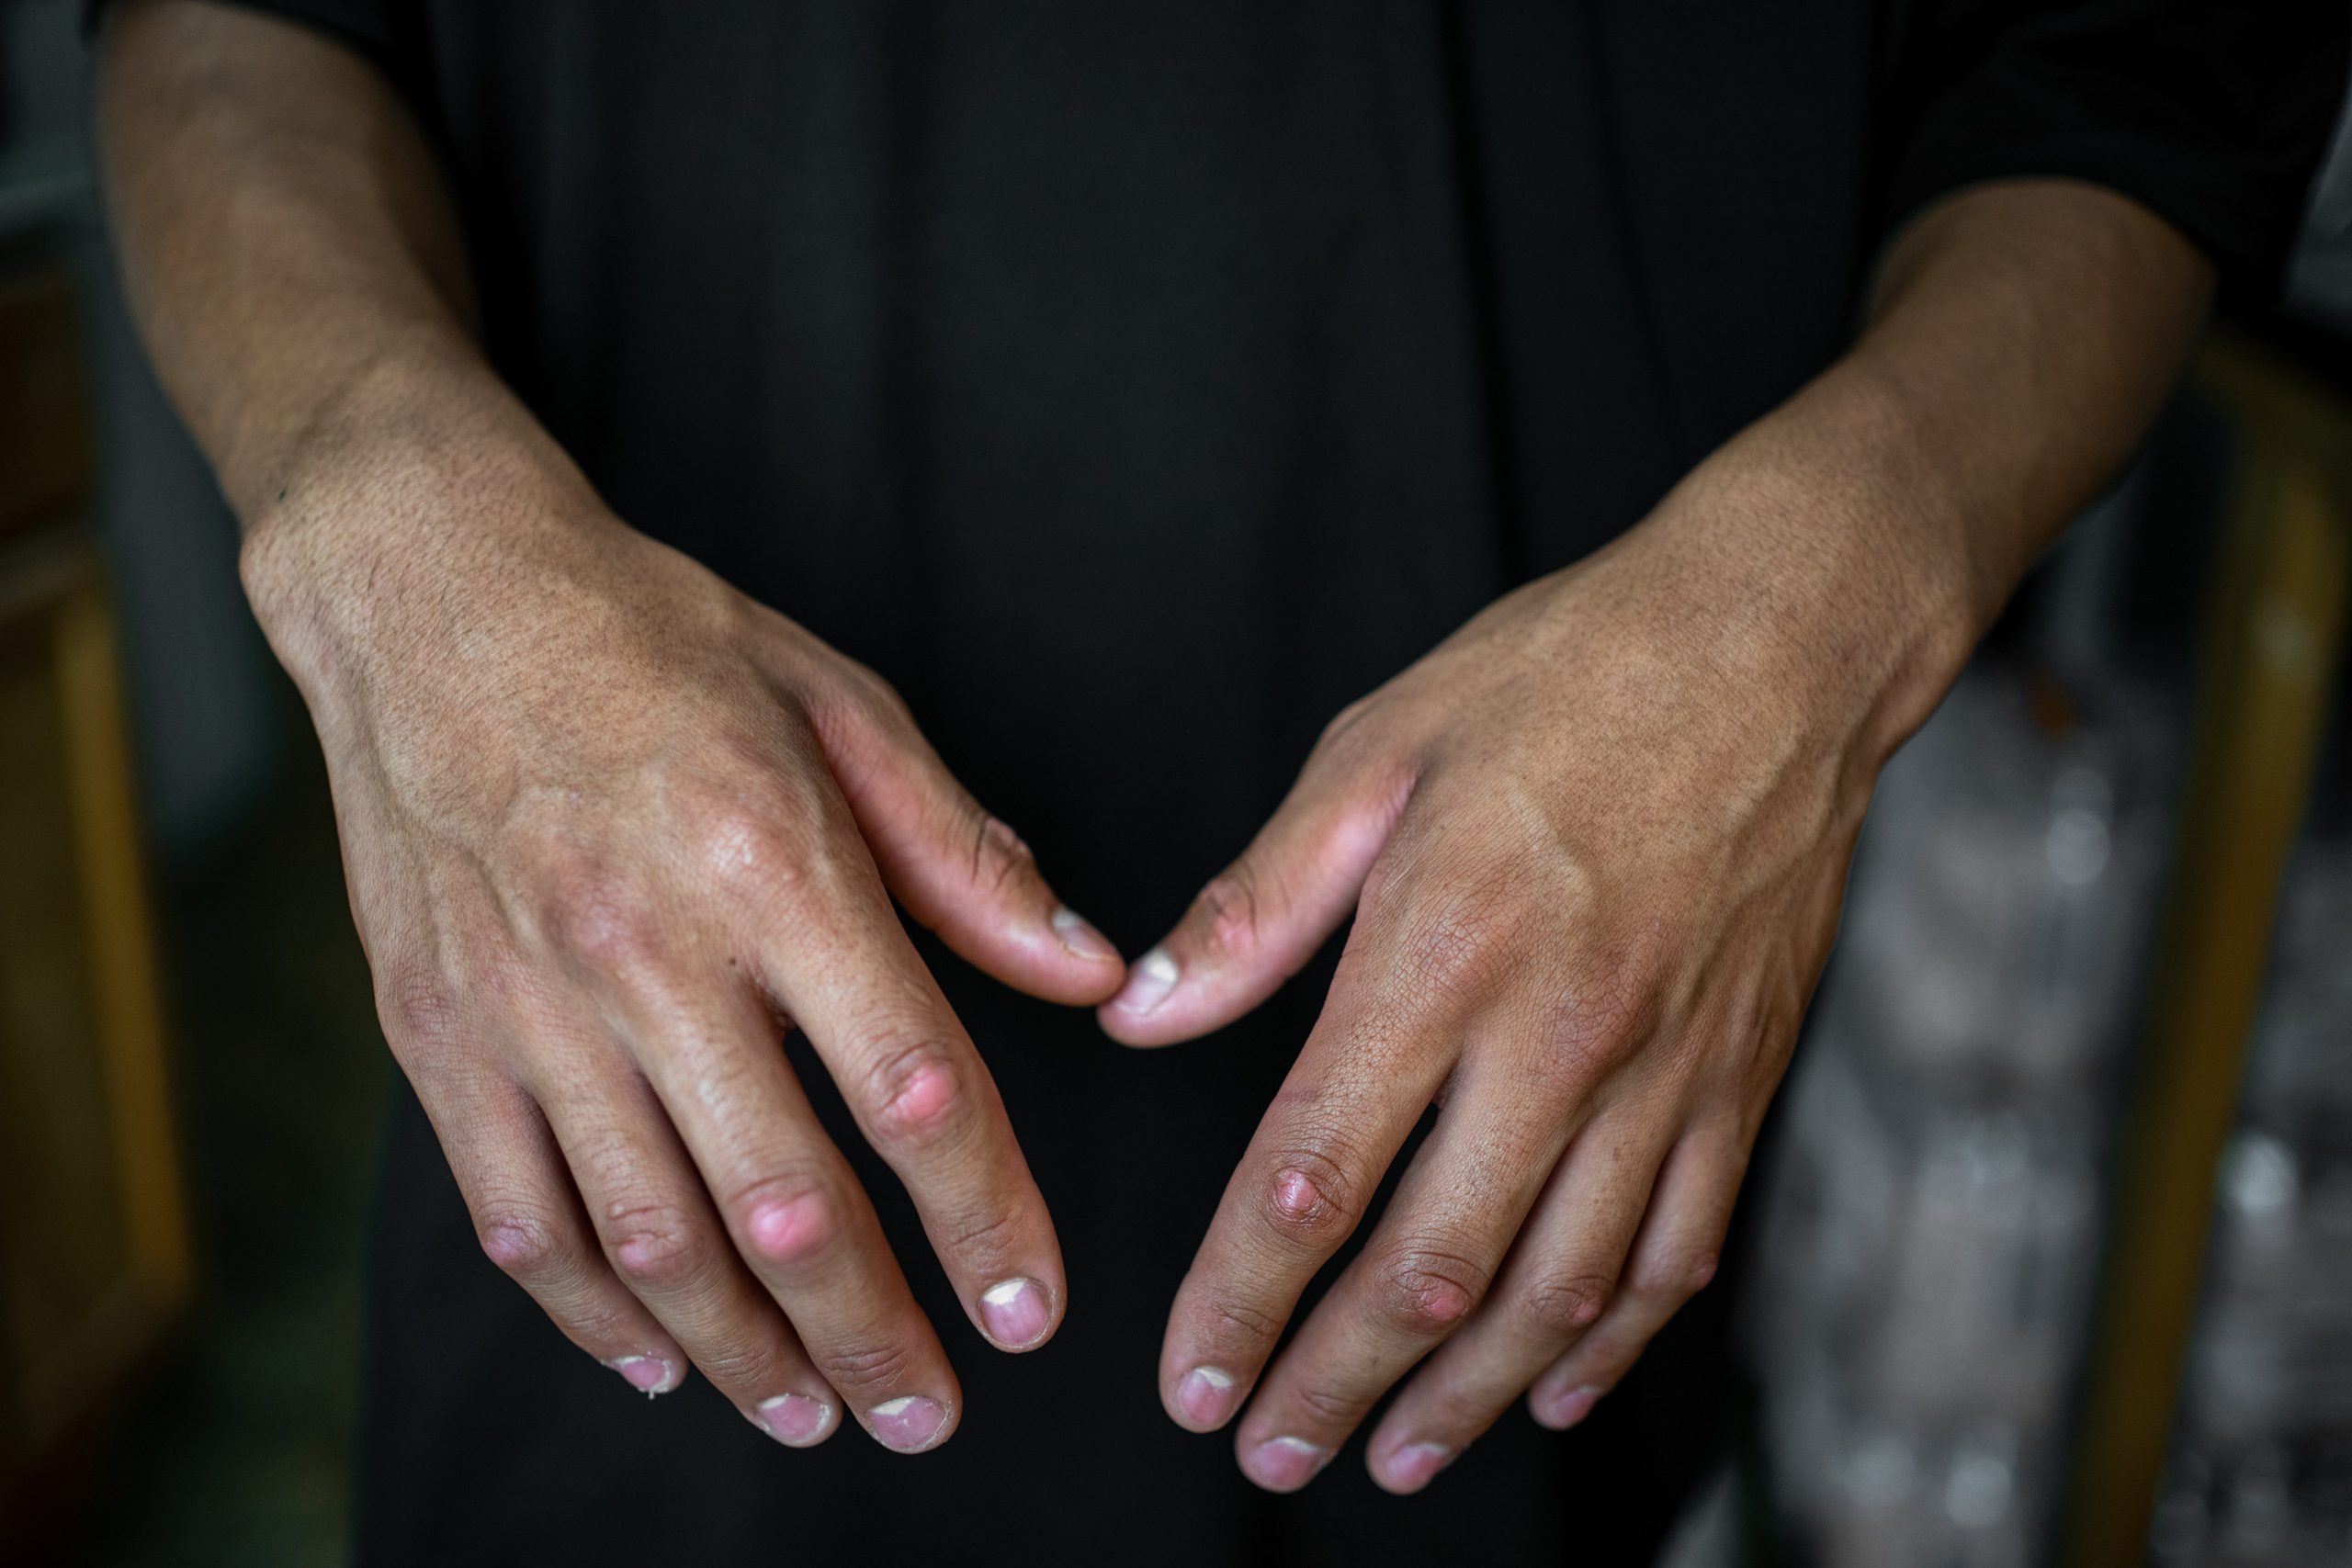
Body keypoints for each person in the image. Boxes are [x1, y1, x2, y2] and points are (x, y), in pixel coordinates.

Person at [93, 1, 2346, 1562]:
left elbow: (2125, 78)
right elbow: (225, 20)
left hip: (1516, 1180)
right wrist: (371, 524)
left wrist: (1820, 613)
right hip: (628, 1100)